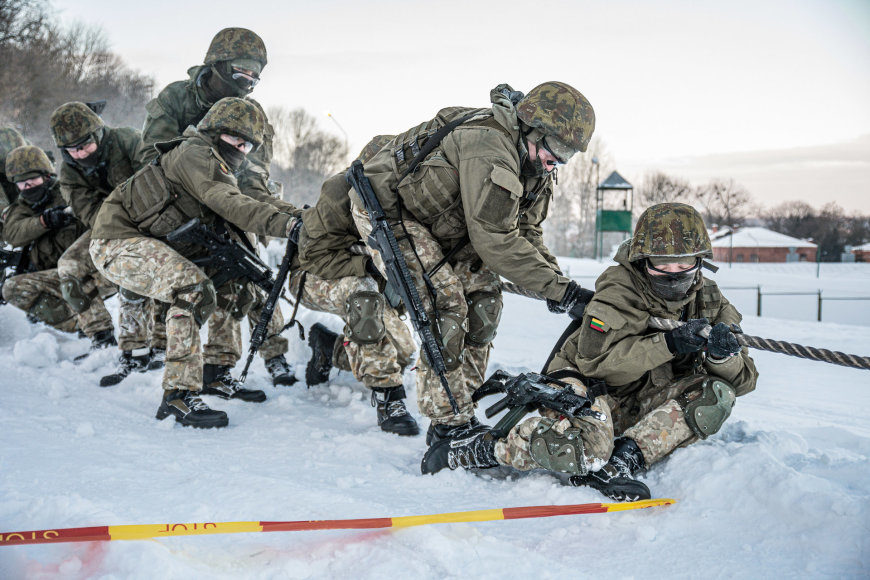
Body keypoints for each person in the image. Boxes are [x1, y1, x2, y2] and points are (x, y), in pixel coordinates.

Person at [423, 203, 759, 501]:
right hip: (590, 388)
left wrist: (721, 356)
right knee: (585, 449)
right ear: (643, 262)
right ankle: (479, 450)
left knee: (717, 394)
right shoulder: (618, 289)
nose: (673, 275)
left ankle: (621, 462)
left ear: (699, 262)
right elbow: (597, 365)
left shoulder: (709, 299)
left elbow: (745, 381)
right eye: (661, 265)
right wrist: (669, 344)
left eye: (682, 265)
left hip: (644, 397)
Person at [348, 82, 596, 453]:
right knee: (445, 301)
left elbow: (525, 232)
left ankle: (463, 404)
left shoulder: (535, 168)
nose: (557, 161)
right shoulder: (489, 145)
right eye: (556, 148)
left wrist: (560, 285)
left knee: (486, 300)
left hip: (446, 228)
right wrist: (562, 292)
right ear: (533, 129)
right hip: (390, 214)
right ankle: (447, 426)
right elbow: (495, 241)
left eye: (568, 155)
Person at [89, 97, 301, 428]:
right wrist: (288, 226)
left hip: (154, 241)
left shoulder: (222, 166)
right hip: (116, 241)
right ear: (214, 131)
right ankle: (178, 394)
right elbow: (229, 203)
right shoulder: (195, 153)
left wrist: (307, 218)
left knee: (232, 281)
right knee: (191, 288)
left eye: (247, 144)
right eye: (235, 139)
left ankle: (215, 371)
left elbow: (252, 201)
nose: (241, 149)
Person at [139, 27, 296, 388]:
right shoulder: (176, 99)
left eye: (257, 73)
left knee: (250, 277)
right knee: (175, 283)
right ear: (218, 64)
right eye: (243, 69)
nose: (250, 79)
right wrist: (202, 169)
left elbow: (255, 173)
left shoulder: (252, 114)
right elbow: (150, 157)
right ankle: (159, 349)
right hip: (177, 202)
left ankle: (265, 355)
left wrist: (258, 211)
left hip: (232, 203)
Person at [292, 135, 419, 435]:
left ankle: (330, 348)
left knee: (402, 354)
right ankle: (388, 397)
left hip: (368, 287)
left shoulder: (400, 201)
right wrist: (367, 263)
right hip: (311, 278)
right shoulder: (337, 194)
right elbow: (313, 257)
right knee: (361, 294)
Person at [49, 101, 168, 376]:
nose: (79, 153)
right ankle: (101, 338)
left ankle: (158, 342)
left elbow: (155, 177)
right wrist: (119, 228)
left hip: (153, 217)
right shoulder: (69, 172)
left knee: (149, 268)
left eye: (84, 145)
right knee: (69, 266)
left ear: (97, 134)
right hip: (109, 225)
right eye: (71, 150)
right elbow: (87, 211)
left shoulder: (127, 140)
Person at [1, 145, 115, 346]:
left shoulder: (67, 191)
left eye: (32, 180)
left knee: (73, 271)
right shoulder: (21, 208)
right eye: (22, 183)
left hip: (95, 270)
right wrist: (45, 221)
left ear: (46, 176)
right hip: (58, 278)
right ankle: (77, 325)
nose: (28, 187)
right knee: (12, 288)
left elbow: (99, 215)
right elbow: (14, 233)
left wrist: (70, 214)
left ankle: (102, 336)